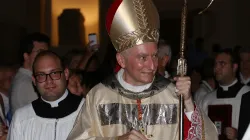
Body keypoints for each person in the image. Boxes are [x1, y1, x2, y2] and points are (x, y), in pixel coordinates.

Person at [67, 0, 217, 139]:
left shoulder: (172, 94)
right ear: (121, 60)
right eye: (143, 58)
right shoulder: (99, 96)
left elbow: (208, 136)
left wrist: (189, 102)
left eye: (155, 56)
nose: (152, 66)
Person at [8, 51, 84, 140]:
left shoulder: (88, 110)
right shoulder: (21, 118)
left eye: (54, 73)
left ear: (66, 74)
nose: (49, 81)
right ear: (34, 80)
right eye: (41, 75)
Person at [202, 48, 250, 140]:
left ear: (234, 67)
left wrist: (239, 134)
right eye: (215, 64)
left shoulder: (247, 95)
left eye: (222, 64)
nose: (217, 68)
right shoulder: (207, 99)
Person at [10, 32, 49, 115]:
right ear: (26, 56)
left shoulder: (26, 78)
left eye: (47, 53)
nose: (46, 57)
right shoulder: (26, 82)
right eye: (40, 52)